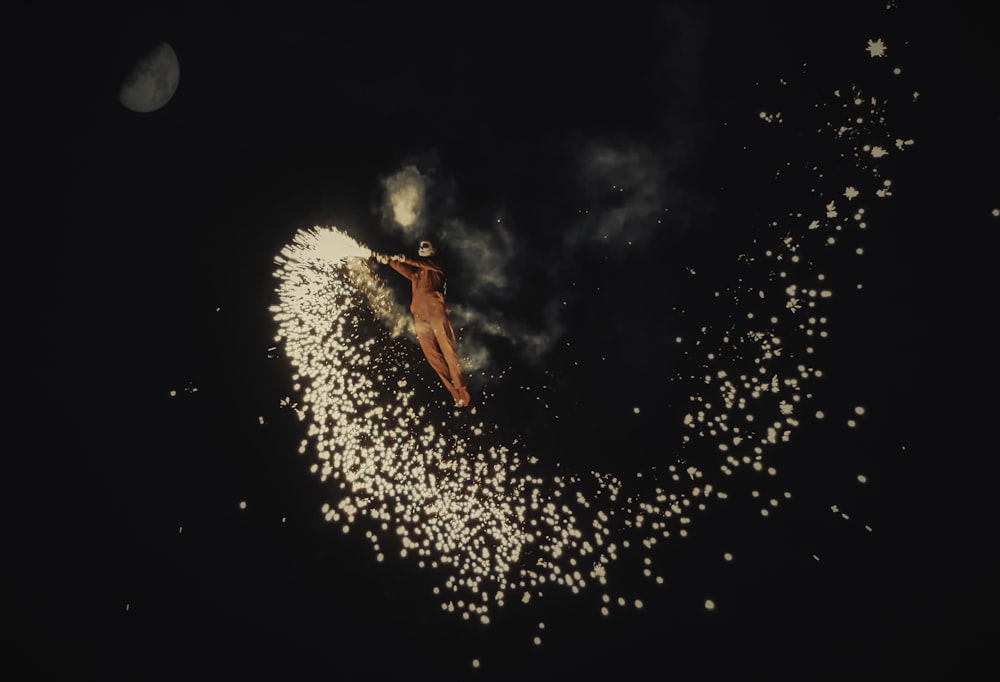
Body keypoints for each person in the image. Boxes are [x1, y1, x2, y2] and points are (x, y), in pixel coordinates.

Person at [374, 240, 471, 408]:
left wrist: (404, 258)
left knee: (448, 350)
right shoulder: (417, 273)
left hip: (436, 313)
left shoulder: (437, 265)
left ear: (435, 249)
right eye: (419, 246)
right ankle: (455, 394)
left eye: (425, 245)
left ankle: (462, 388)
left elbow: (417, 262)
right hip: (419, 316)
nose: (421, 248)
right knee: (432, 356)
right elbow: (408, 270)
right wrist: (389, 261)